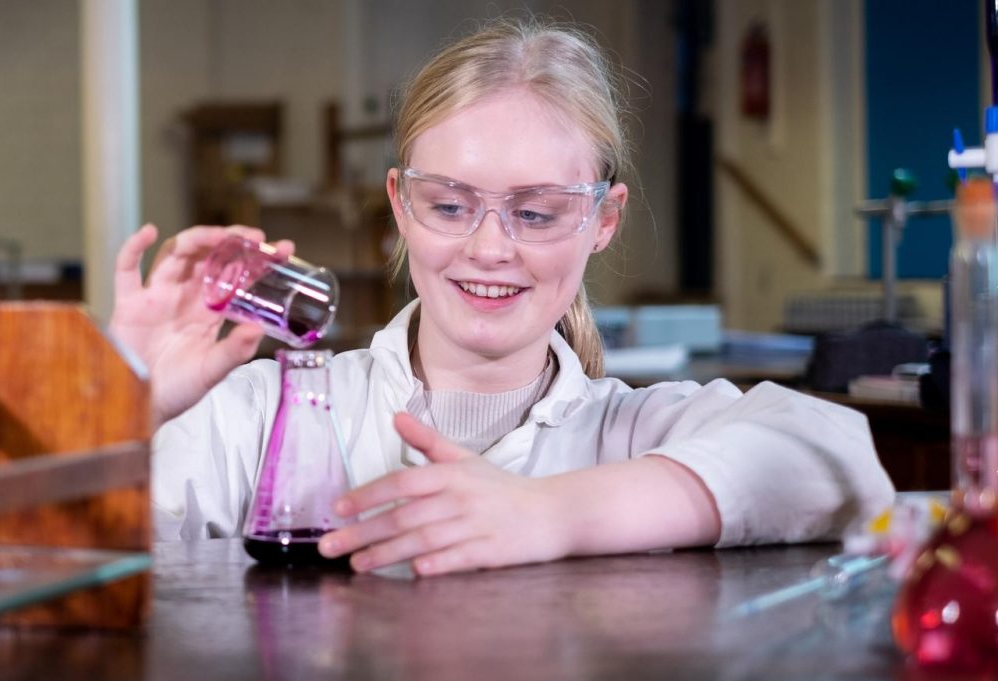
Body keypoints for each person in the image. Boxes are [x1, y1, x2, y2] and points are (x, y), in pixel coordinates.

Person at [108, 19, 894, 576]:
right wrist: (120, 398)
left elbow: (840, 460)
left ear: (602, 219)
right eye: (450, 205)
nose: (489, 247)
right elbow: (52, 560)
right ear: (400, 204)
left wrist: (551, 513)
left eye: (536, 210)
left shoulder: (630, 430)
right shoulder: (261, 414)